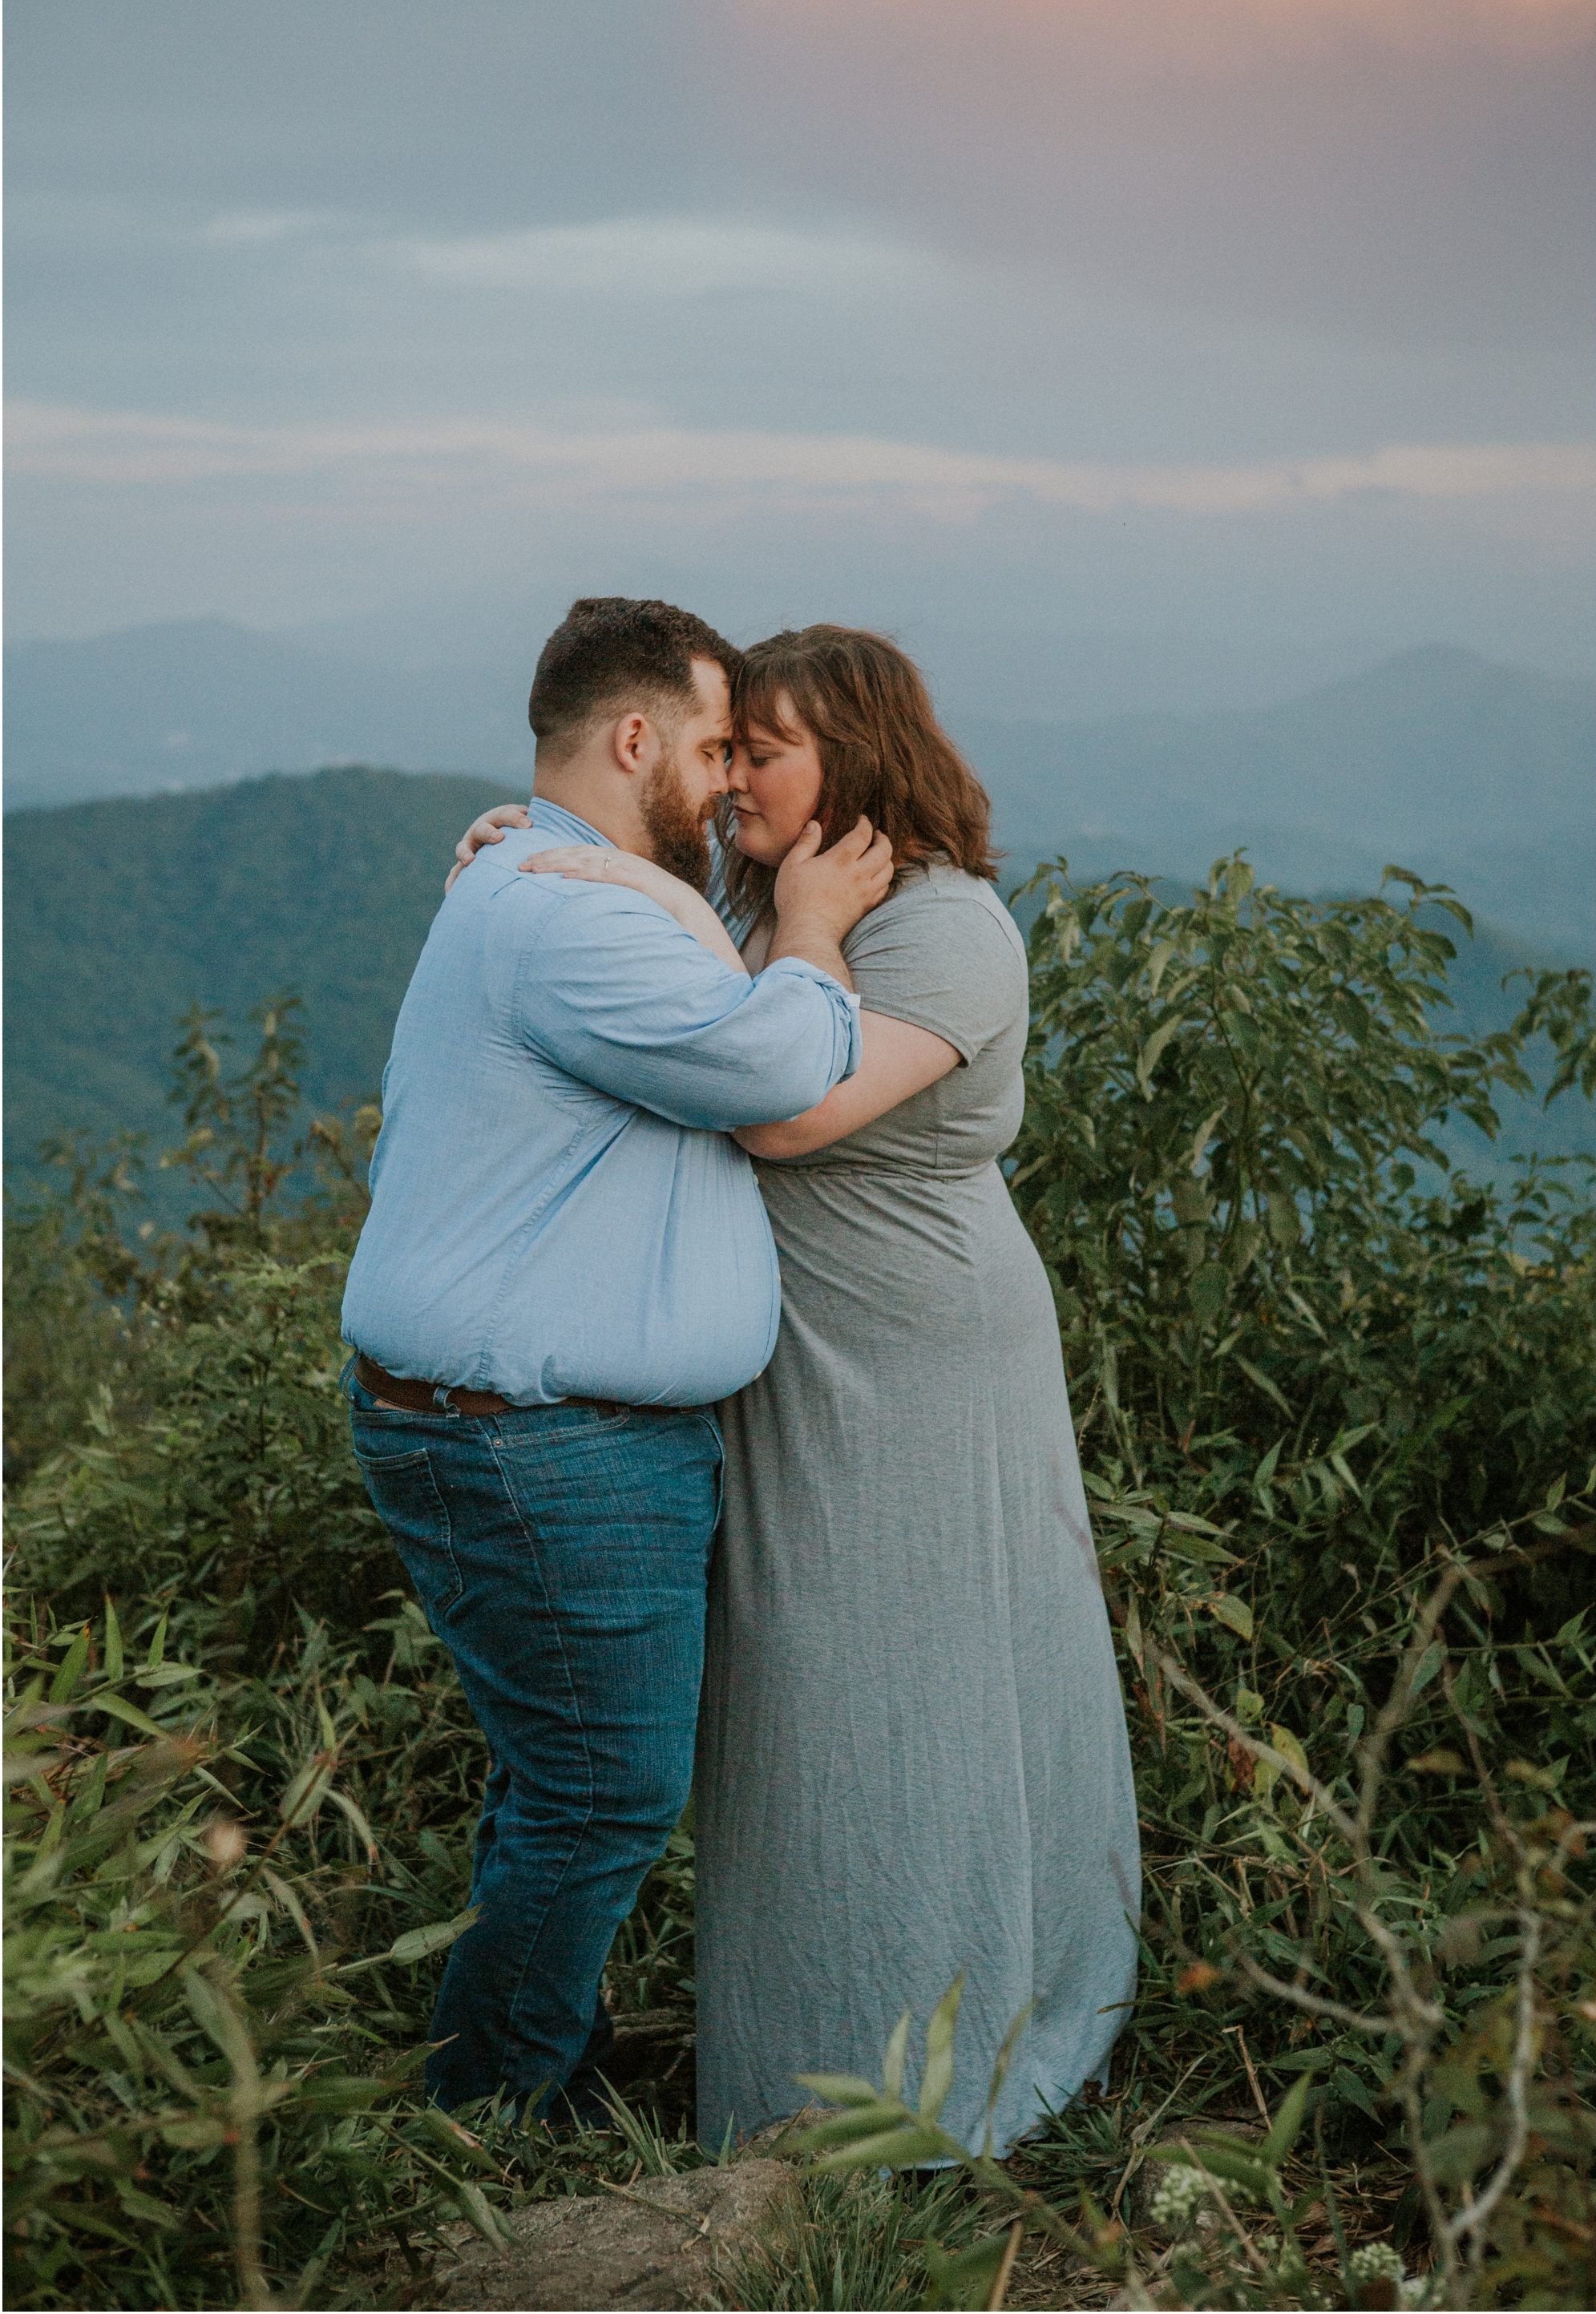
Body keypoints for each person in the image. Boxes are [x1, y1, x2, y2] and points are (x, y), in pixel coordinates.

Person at [452, 624, 1139, 2157]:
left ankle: (915, 2071)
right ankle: (799, 2053)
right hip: (795, 1359)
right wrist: (570, 858)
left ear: (863, 755)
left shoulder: (950, 927)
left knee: (904, 1698)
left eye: (767, 747)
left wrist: (785, 920)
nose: (738, 774)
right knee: (795, 1715)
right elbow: (704, 966)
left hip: (918, 1358)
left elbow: (785, 1111)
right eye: (733, 744)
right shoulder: (777, 898)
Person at [342, 597, 892, 2125]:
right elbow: (779, 1060)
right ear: (636, 736)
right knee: (604, 1795)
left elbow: (695, 962)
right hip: (543, 1439)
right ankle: (487, 2116)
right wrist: (820, 932)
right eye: (718, 744)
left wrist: (666, 890)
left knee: (561, 1776)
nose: (729, 781)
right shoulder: (567, 914)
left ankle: (527, 2061)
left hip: (535, 1428)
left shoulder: (563, 883)